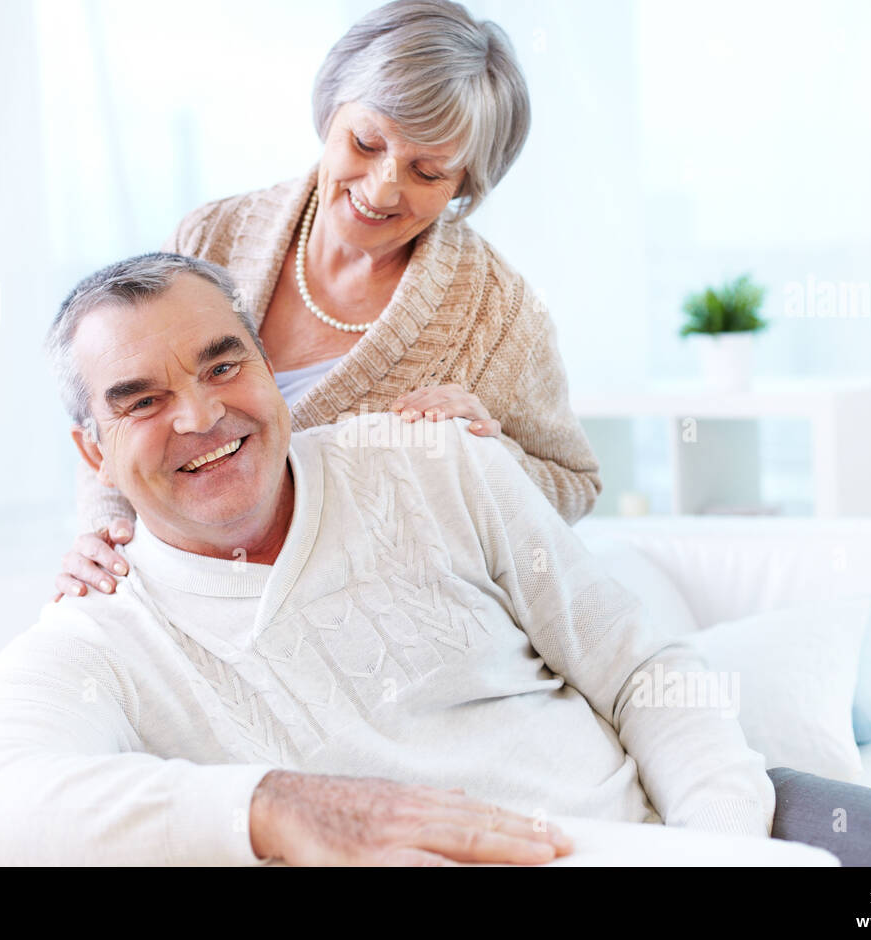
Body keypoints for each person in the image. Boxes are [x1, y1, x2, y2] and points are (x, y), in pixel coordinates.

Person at [0, 252, 796, 866]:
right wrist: (275, 805)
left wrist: (716, 847)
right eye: (143, 402)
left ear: (270, 367)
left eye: (224, 367)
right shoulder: (101, 628)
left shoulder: (435, 461)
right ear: (92, 453)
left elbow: (643, 669)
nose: (200, 418)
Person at [57, 0, 601, 603]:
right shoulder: (211, 238)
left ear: (466, 184)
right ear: (331, 112)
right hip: (185, 593)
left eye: (427, 172)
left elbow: (573, 486)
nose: (381, 187)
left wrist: (485, 457)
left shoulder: (497, 316)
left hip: (357, 617)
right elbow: (120, 412)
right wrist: (107, 533)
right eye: (366, 142)